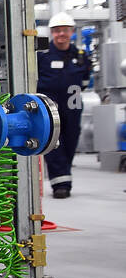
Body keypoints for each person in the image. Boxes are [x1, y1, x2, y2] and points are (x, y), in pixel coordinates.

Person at [38, 11, 92, 198]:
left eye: (65, 30)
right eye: (57, 31)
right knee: (54, 141)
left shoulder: (81, 56)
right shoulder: (42, 57)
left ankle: (63, 177)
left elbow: (85, 81)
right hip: (50, 107)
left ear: (72, 32)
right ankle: (61, 184)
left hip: (73, 106)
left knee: (70, 141)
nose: (62, 34)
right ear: (52, 33)